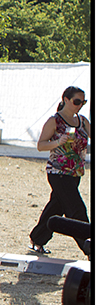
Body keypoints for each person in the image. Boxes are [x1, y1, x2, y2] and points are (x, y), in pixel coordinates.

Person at [28, 86, 91, 256]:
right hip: (58, 172)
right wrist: (58, 142)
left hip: (75, 173)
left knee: (56, 207)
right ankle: (89, 245)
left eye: (83, 102)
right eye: (76, 101)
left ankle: (37, 238)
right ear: (65, 100)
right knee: (76, 209)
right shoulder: (54, 121)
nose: (80, 105)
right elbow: (41, 145)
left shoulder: (83, 121)